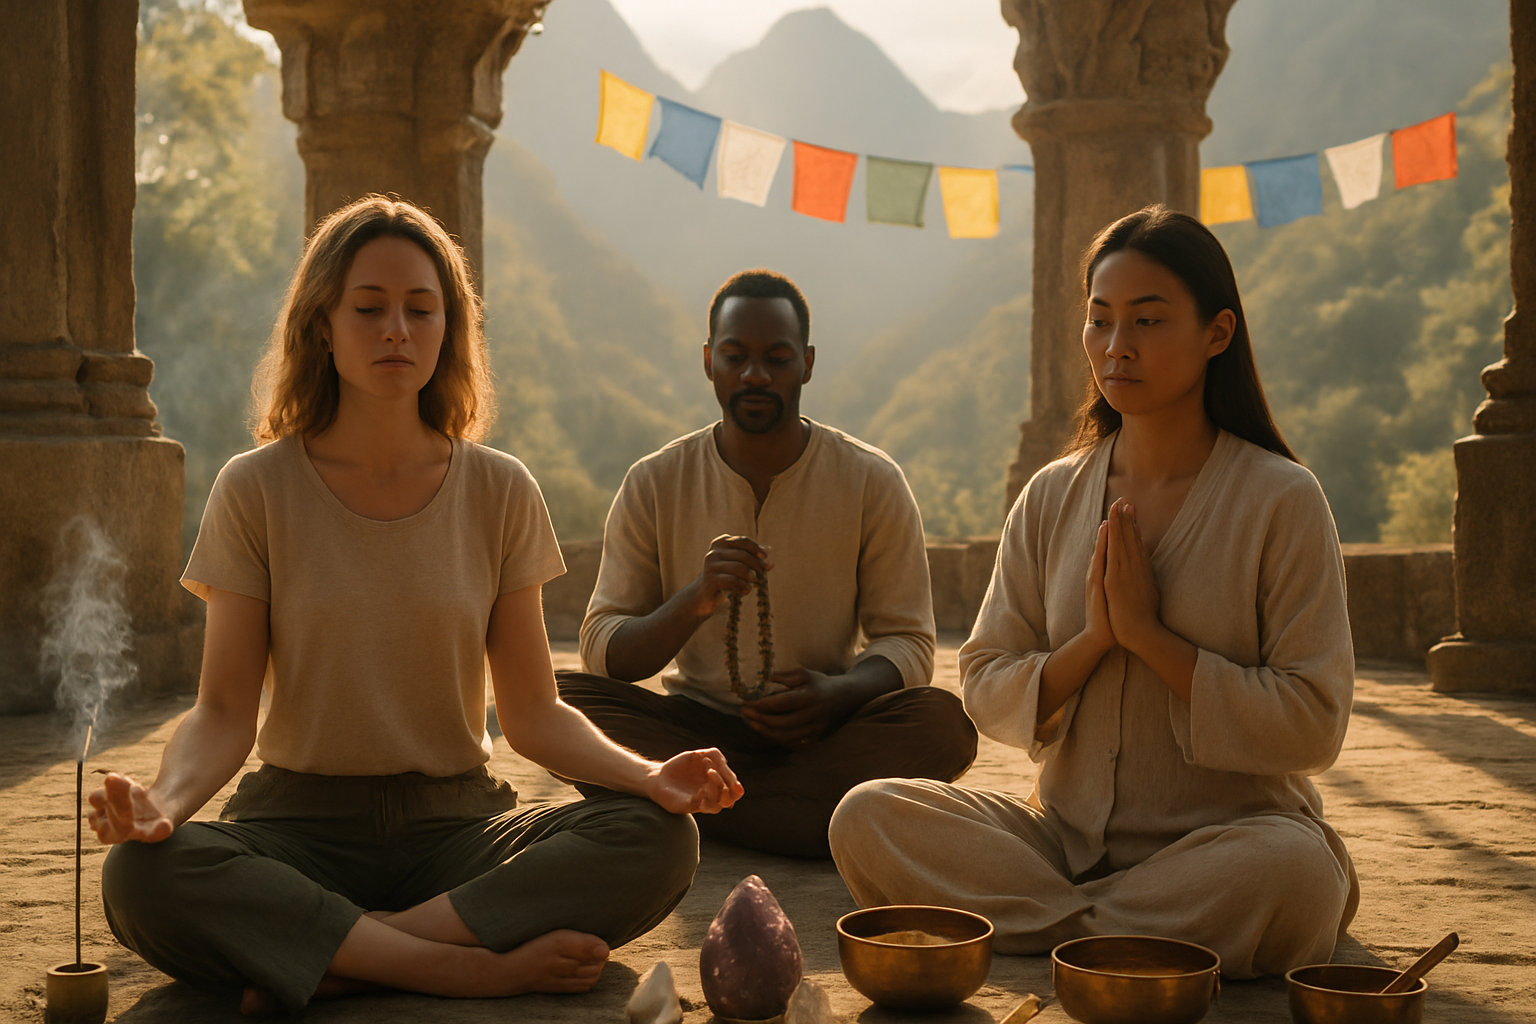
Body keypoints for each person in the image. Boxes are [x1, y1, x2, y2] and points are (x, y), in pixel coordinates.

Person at [87, 196, 741, 1015]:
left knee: (655, 836)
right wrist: (163, 807)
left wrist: (651, 776)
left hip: (459, 827)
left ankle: (346, 952)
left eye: (420, 309)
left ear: (448, 330)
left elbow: (533, 713)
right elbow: (223, 709)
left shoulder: (499, 489)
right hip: (296, 828)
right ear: (322, 326)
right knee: (142, 875)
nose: (396, 328)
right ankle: (459, 966)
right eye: (368, 308)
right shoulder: (255, 489)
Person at [828, 206, 1359, 978]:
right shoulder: (1051, 495)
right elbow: (984, 676)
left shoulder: (1281, 499)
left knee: (1298, 872)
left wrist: (1152, 640)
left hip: (1226, 846)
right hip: (1061, 849)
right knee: (867, 813)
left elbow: (1314, 724)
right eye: (1100, 321)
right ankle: (1119, 938)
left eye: (1147, 320)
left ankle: (1054, 930)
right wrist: (1095, 642)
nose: (1117, 347)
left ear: (1218, 333)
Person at [557, 269, 977, 859]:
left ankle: (705, 814)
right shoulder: (655, 480)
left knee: (942, 724)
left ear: (805, 363)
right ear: (709, 361)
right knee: (563, 701)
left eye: (776, 358)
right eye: (735, 356)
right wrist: (695, 599)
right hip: (694, 733)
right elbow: (604, 650)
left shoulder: (870, 479)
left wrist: (839, 692)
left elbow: (908, 642)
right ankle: (818, 825)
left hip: (824, 732)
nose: (755, 374)